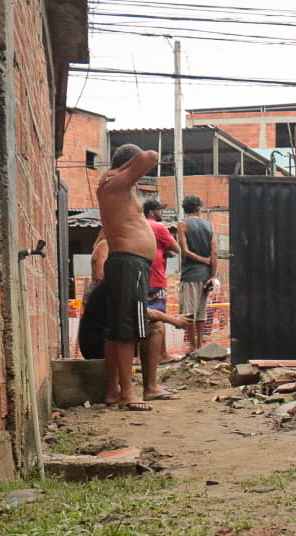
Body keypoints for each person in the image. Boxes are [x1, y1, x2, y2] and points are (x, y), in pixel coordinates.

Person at [92, 145, 187, 410]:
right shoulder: (116, 183)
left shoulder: (116, 187)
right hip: (129, 264)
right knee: (127, 331)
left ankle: (116, 391)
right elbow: (151, 156)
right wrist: (123, 168)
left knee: (121, 330)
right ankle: (128, 394)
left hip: (130, 265)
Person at [141, 199, 180, 398]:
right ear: (152, 211)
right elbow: (177, 248)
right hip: (156, 280)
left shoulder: (137, 226)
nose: (161, 213)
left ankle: (148, 376)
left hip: (138, 280)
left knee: (141, 328)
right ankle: (152, 382)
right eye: (159, 210)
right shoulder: (158, 227)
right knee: (157, 325)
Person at [177, 195, 217, 353]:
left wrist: (202, 260)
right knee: (201, 312)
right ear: (199, 209)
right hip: (205, 276)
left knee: (189, 313)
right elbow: (214, 252)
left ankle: (192, 346)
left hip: (190, 275)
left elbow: (185, 251)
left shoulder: (183, 224)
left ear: (184, 208)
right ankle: (200, 345)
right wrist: (212, 276)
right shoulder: (209, 225)